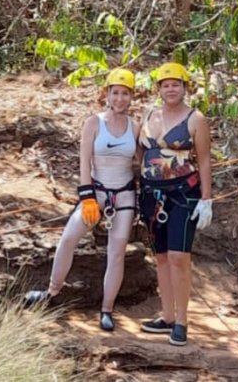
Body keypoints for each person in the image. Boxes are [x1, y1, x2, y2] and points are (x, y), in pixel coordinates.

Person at [24, 68, 140, 332]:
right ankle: (51, 292)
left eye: (125, 93)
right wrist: (86, 196)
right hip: (96, 193)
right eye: (115, 93)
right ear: (107, 94)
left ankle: (107, 309)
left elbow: (143, 162)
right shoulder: (94, 123)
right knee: (68, 238)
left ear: (131, 96)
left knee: (117, 252)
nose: (120, 99)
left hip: (124, 196)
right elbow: (84, 162)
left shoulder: (135, 127)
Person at [138, 62, 213, 346]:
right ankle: (166, 315)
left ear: (184, 87)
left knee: (179, 257)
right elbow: (139, 152)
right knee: (161, 257)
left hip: (183, 194)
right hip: (151, 194)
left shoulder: (196, 119)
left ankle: (182, 321)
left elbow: (204, 159)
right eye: (165, 85)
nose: (171, 89)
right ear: (158, 89)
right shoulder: (148, 115)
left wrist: (207, 198)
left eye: (176, 84)